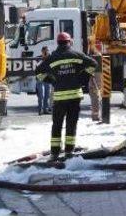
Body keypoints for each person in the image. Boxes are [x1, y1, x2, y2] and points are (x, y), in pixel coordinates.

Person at [35, 32, 98, 161]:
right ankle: (69, 151)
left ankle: (54, 153)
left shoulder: (52, 58)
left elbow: (38, 73)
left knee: (57, 125)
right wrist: (82, 78)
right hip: (75, 96)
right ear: (69, 42)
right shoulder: (76, 55)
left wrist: (52, 81)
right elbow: (94, 64)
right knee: (71, 124)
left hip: (59, 98)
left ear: (58, 43)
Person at [36, 46, 51, 115]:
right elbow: (37, 66)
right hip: (40, 77)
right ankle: (40, 109)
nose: (46, 52)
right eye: (44, 51)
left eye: (47, 51)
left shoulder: (50, 58)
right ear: (42, 51)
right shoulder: (38, 58)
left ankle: (46, 109)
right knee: (41, 95)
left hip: (47, 77)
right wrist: (43, 58)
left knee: (47, 94)